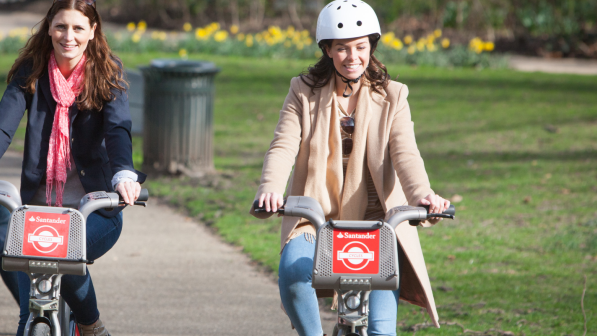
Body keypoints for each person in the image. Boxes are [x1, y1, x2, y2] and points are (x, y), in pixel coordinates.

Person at [250, 1, 450, 335]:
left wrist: (424, 196)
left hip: (378, 225)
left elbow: (406, 154)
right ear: (327, 50)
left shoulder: (393, 96)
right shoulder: (303, 91)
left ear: (372, 46)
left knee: (381, 331)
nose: (353, 56)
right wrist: (270, 187)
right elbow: (284, 144)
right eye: (342, 48)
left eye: (361, 47)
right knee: (294, 274)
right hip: (316, 217)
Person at [0, 1, 145, 335]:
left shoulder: (108, 73)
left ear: (93, 31)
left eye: (79, 28)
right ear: (49, 27)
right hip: (38, 212)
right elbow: (4, 126)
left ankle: (90, 325)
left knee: (64, 258)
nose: (69, 36)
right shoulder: (31, 70)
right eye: (61, 26)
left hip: (93, 211)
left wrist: (124, 172)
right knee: (29, 314)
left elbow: (118, 129)